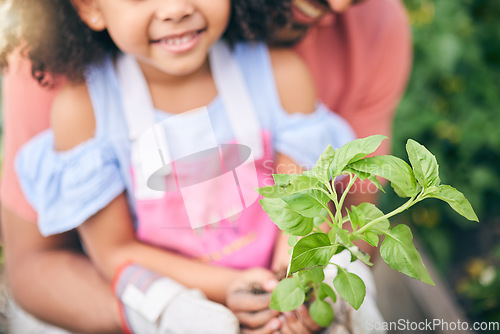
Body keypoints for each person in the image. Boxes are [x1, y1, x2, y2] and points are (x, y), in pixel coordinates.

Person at [0, 0, 411, 333]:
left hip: (273, 281)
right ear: (90, 7)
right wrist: (219, 294)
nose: (175, 8)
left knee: (346, 276)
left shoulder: (280, 75)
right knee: (150, 299)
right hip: (177, 296)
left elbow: (306, 205)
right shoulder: (84, 111)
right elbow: (115, 252)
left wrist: (295, 279)